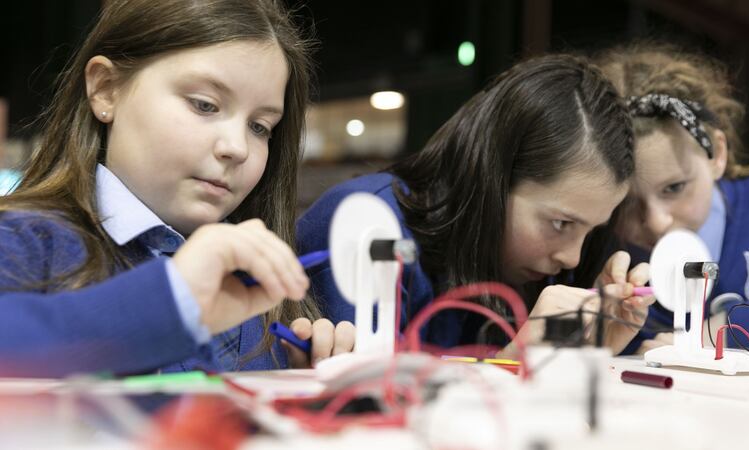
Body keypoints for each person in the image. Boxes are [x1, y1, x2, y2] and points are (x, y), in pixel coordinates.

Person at [0, 0, 353, 377]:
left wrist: (297, 384)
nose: (236, 147)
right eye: (205, 105)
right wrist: (173, 299)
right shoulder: (22, 240)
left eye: (260, 127)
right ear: (105, 89)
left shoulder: (260, 289)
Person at [298, 54, 653, 356]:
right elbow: (365, 410)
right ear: (492, 177)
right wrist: (513, 363)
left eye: (591, 231)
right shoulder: (368, 229)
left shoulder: (533, 266)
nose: (572, 259)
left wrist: (592, 348)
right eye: (561, 224)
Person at [594, 42, 749, 353]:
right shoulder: (603, 259)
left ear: (717, 154)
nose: (656, 222)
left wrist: (721, 330)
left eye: (674, 188)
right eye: (625, 203)